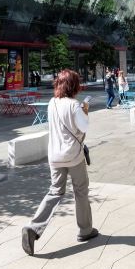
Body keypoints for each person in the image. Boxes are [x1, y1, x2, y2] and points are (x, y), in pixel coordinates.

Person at [22, 69, 98, 255]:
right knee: (80, 191)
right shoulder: (74, 105)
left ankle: (34, 228)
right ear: (74, 86)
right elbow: (84, 126)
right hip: (73, 155)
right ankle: (85, 230)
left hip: (54, 156)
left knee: (55, 191)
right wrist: (85, 111)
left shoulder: (52, 103)